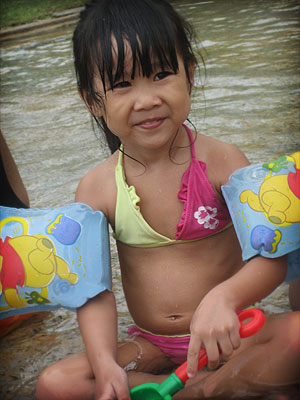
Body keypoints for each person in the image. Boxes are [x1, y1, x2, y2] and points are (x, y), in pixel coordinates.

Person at [36, 1, 300, 399]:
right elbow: (93, 290)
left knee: (297, 336)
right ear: (92, 100)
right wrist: (106, 360)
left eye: (161, 74)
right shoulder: (98, 187)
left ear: (189, 75)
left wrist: (225, 297)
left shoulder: (222, 162)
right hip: (154, 347)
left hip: (232, 332)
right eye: (122, 84)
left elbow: (273, 256)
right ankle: (218, 388)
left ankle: (196, 391)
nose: (146, 100)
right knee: (58, 383)